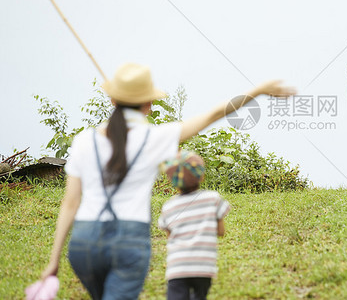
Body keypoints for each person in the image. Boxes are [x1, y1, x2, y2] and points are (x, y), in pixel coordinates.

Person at [39, 62, 296, 300]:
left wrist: (53, 260)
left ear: (112, 99)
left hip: (83, 244)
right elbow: (216, 113)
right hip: (129, 241)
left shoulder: (84, 140)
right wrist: (259, 90)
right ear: (149, 103)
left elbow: (70, 203)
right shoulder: (157, 137)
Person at [158, 150, 229, 300]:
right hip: (203, 266)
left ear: (172, 180)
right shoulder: (213, 198)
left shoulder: (168, 206)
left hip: (178, 267)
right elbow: (221, 232)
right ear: (202, 176)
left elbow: (170, 237)